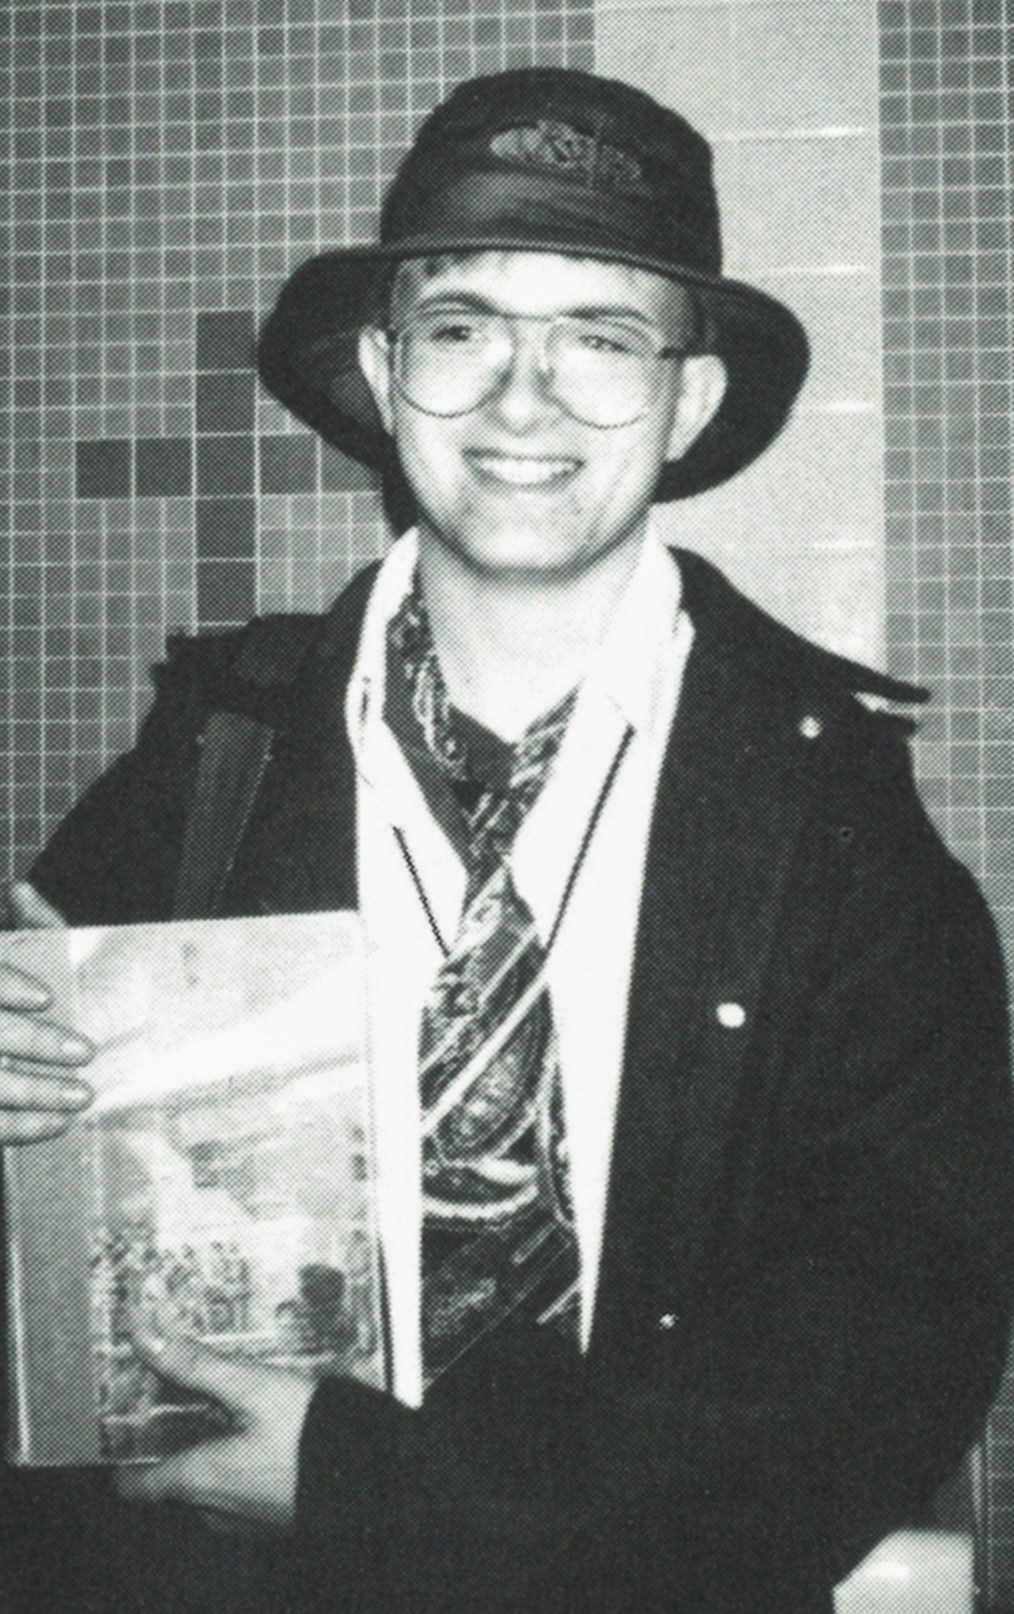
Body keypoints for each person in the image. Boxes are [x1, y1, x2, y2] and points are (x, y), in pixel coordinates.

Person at [1, 66, 1012, 1614]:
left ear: (688, 397)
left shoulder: (837, 820)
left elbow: (900, 1330)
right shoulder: (211, 753)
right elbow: (49, 1264)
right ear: (383, 369)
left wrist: (375, 1491)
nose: (522, 399)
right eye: (462, 328)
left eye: (601, 339)